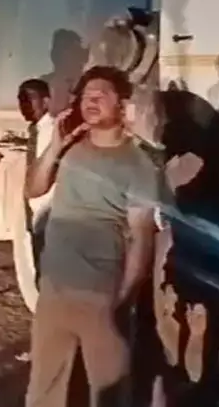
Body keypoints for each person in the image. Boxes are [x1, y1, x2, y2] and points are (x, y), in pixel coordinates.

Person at [23, 66, 161, 407]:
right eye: (86, 96)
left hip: (101, 295)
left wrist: (122, 298)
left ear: (123, 106)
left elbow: (142, 237)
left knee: (109, 393)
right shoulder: (70, 149)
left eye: (102, 96)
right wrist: (55, 145)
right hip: (54, 293)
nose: (92, 101)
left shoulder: (138, 165)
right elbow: (33, 189)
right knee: (43, 392)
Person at [18, 78, 55, 164]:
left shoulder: (52, 131)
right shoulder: (36, 129)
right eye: (21, 100)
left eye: (30, 98)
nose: (24, 105)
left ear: (45, 102)